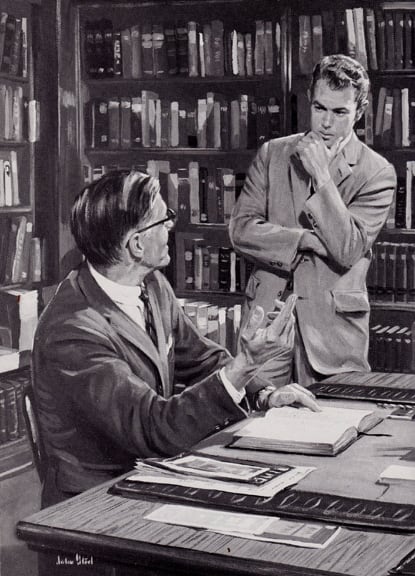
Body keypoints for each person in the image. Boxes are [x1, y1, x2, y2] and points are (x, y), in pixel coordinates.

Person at [32, 169, 318, 510]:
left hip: (150, 476)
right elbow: (152, 426)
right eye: (163, 219)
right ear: (136, 245)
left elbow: (202, 359)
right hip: (95, 502)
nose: (171, 226)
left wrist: (265, 395)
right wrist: (245, 365)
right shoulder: (73, 331)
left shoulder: (151, 285)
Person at [229, 54, 397, 387]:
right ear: (309, 102)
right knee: (259, 426)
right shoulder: (272, 153)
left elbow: (348, 248)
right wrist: (303, 240)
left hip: (333, 328)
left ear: (360, 112)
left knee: (335, 424)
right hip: (267, 319)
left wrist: (321, 175)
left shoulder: (378, 173)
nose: (325, 124)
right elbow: (241, 229)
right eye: (319, 108)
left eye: (340, 112)